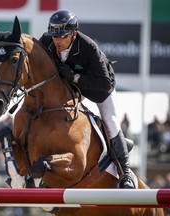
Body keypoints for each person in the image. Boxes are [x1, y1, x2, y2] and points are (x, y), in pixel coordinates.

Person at [39, 9, 135, 188]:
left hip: (98, 87)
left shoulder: (88, 47)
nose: (57, 41)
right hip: (72, 87)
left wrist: (75, 77)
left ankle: (125, 173)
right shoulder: (47, 41)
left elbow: (105, 83)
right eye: (55, 36)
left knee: (111, 122)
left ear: (73, 34)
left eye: (62, 36)